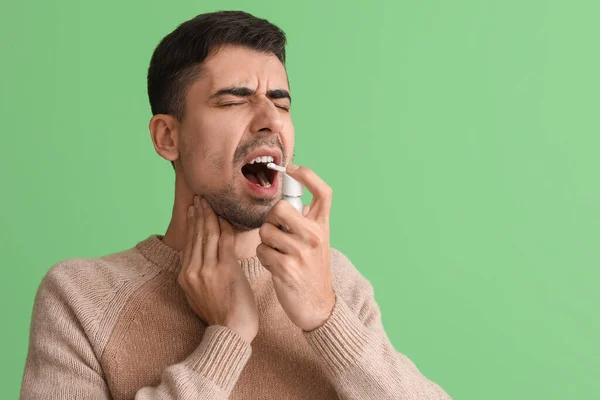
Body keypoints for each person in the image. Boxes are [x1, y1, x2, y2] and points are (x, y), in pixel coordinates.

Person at [20, 10, 451, 400]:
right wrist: (227, 338)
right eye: (233, 100)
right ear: (167, 137)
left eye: (281, 102)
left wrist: (326, 318)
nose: (271, 119)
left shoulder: (333, 281)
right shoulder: (81, 298)